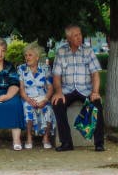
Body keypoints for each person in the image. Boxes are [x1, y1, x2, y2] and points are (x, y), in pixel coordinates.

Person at [51, 24, 105, 152]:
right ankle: (66, 143)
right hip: (67, 90)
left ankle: (99, 143)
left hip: (85, 89)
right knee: (57, 103)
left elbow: (95, 74)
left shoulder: (88, 51)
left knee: (96, 103)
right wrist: (58, 92)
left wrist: (95, 92)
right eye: (75, 35)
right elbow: (56, 76)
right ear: (68, 38)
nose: (79, 37)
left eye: (80, 34)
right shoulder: (61, 52)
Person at [18, 42, 54, 149]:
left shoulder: (45, 68)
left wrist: (45, 99)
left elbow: (50, 88)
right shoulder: (21, 69)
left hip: (43, 97)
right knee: (27, 108)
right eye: (26, 55)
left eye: (30, 55)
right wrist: (29, 100)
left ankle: (46, 137)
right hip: (27, 98)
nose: (27, 58)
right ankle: (29, 137)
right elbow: (22, 89)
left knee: (48, 109)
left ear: (37, 57)